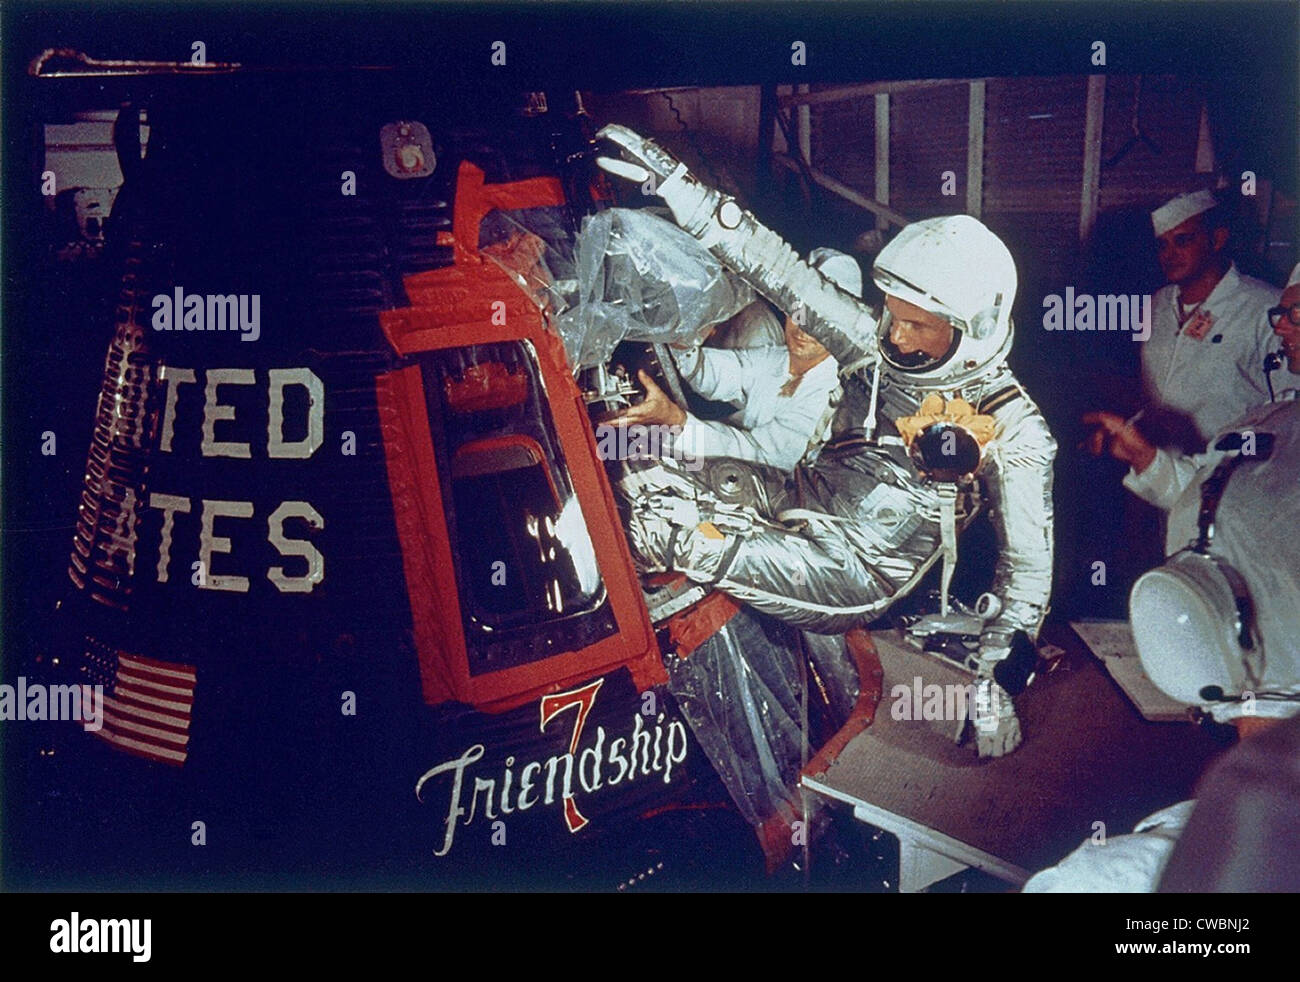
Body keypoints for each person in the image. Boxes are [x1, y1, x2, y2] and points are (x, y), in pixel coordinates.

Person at [597, 125, 1057, 758]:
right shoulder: (873, 342)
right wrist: (684, 191)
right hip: (798, 496)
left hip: (856, 570)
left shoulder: (1016, 428)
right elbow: (782, 270)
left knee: (661, 526)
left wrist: (997, 676)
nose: (892, 336)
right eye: (891, 313)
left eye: (914, 326)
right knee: (640, 473)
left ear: (968, 329)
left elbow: (1027, 571)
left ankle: (602, 711)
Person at [615, 248, 856, 472]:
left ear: (844, 332)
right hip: (721, 458)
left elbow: (763, 457)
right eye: (800, 313)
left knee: (625, 458)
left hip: (767, 488)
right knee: (612, 443)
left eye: (822, 322)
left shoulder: (830, 393)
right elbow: (711, 374)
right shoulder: (778, 358)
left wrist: (677, 421)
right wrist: (685, 338)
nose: (804, 329)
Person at [1140, 189, 1279, 450]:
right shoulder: (1157, 304)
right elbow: (1154, 396)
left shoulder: (1265, 307)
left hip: (1232, 475)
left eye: (1182, 241)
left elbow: (1288, 408)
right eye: (1163, 244)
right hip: (1158, 474)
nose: (1169, 255)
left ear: (1217, 239)